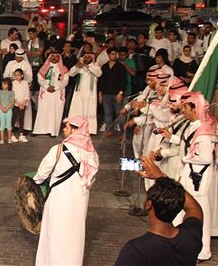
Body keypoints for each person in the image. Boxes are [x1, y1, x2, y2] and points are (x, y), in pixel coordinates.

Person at [33, 116, 99, 266]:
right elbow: (91, 180)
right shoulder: (92, 154)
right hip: (80, 201)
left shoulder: (58, 149)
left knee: (54, 233)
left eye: (67, 127)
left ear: (75, 130)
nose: (64, 129)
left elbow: (42, 174)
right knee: (74, 235)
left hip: (59, 199)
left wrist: (34, 183)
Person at [115, 157, 204, 266]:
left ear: (148, 204)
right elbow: (194, 208)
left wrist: (161, 178)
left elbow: (193, 207)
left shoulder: (136, 250)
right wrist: (161, 176)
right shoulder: (190, 236)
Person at [165, 92, 216, 261]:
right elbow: (185, 142)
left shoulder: (204, 131)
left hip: (198, 176)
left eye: (185, 107)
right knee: (185, 209)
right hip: (189, 172)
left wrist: (186, 158)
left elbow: (207, 157)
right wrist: (170, 137)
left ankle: (202, 250)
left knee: (199, 211)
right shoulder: (192, 125)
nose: (183, 110)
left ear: (194, 108)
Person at [33, 51, 69, 137]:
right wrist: (47, 86)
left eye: (56, 56)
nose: (54, 58)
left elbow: (65, 81)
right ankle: (39, 130)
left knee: (55, 111)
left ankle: (53, 131)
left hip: (57, 93)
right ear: (49, 57)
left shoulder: (63, 69)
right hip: (46, 92)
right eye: (52, 56)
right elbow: (40, 79)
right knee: (43, 110)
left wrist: (55, 88)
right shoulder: (44, 68)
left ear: (59, 58)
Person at [67, 53, 102, 135]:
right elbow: (70, 74)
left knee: (90, 110)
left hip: (90, 94)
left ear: (92, 58)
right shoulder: (79, 66)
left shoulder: (95, 66)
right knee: (77, 109)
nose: (86, 58)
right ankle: (76, 128)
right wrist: (77, 66)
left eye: (88, 57)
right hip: (79, 93)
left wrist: (87, 66)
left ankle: (90, 130)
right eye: (85, 57)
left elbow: (98, 74)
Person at [11, 69, 32, 142]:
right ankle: (12, 134)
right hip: (16, 104)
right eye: (15, 75)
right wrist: (18, 103)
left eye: (18, 75)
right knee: (13, 119)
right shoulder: (13, 83)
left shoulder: (25, 83)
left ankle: (21, 135)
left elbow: (27, 94)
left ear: (22, 75)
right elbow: (13, 94)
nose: (17, 77)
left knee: (21, 119)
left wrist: (23, 103)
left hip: (23, 104)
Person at [0, 77, 14, 144]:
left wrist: (6, 108)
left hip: (9, 110)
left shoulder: (11, 92)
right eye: (2, 84)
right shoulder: (0, 92)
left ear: (8, 85)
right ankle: (2, 139)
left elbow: (12, 102)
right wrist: (2, 108)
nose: (3, 85)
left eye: (4, 84)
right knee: (2, 124)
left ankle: (9, 138)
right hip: (1, 110)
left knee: (9, 124)